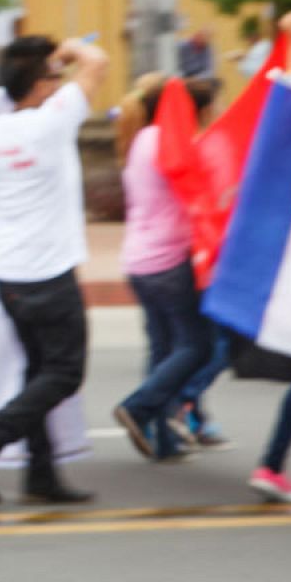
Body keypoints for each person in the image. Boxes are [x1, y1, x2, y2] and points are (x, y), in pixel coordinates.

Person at [0, 35, 108, 505]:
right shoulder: (50, 122)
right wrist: (67, 49)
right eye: (54, 77)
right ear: (40, 85)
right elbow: (97, 60)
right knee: (65, 373)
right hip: (49, 271)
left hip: (9, 275)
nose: (60, 84)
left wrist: (50, 62)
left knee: (38, 371)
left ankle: (41, 475)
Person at [113, 79, 218, 463]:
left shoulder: (141, 138)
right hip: (169, 261)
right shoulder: (173, 142)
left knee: (163, 350)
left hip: (137, 260)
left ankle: (163, 441)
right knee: (197, 346)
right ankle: (137, 407)